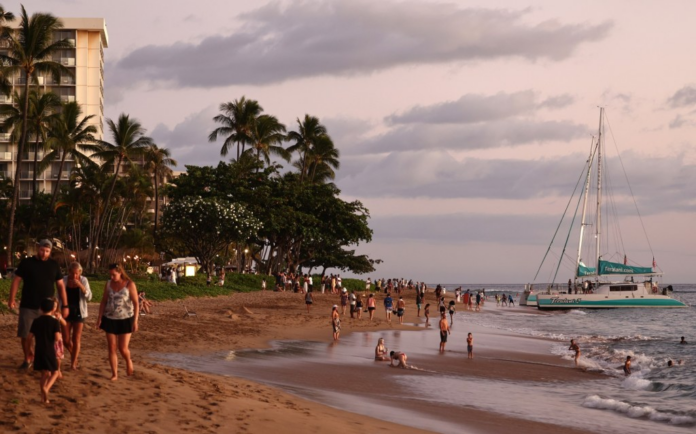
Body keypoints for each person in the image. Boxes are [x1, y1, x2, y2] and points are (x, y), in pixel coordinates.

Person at [8, 239, 67, 369]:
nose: (44, 253)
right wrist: (11, 298)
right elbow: (17, 280)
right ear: (37, 248)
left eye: (47, 251)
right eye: (42, 250)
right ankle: (28, 357)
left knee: (48, 336)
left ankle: (47, 360)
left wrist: (65, 305)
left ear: (50, 251)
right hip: (28, 304)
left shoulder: (54, 265)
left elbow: (60, 286)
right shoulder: (27, 263)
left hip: (48, 307)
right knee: (25, 334)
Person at [97, 263, 139, 381]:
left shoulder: (129, 284)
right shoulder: (108, 284)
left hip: (126, 319)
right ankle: (114, 374)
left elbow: (136, 303)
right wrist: (99, 317)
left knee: (123, 348)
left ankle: (128, 360)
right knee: (112, 347)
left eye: (113, 275)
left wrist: (135, 321)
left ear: (120, 272)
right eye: (110, 275)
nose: (111, 277)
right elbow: (103, 301)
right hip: (110, 318)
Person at [28, 298, 63, 404]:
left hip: (39, 349)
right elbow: (57, 338)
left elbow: (29, 337)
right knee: (55, 372)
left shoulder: (36, 321)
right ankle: (46, 388)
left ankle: (44, 398)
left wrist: (30, 349)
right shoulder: (54, 322)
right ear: (53, 309)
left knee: (44, 374)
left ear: (41, 309)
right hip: (49, 350)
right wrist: (59, 335)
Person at [60, 262, 92, 370]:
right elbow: (58, 295)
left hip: (79, 312)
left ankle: (73, 362)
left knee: (76, 338)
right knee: (65, 340)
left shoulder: (84, 280)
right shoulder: (64, 280)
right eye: (72, 273)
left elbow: (89, 297)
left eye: (77, 273)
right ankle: (74, 355)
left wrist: (81, 286)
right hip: (65, 311)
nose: (74, 276)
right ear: (69, 272)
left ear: (80, 272)